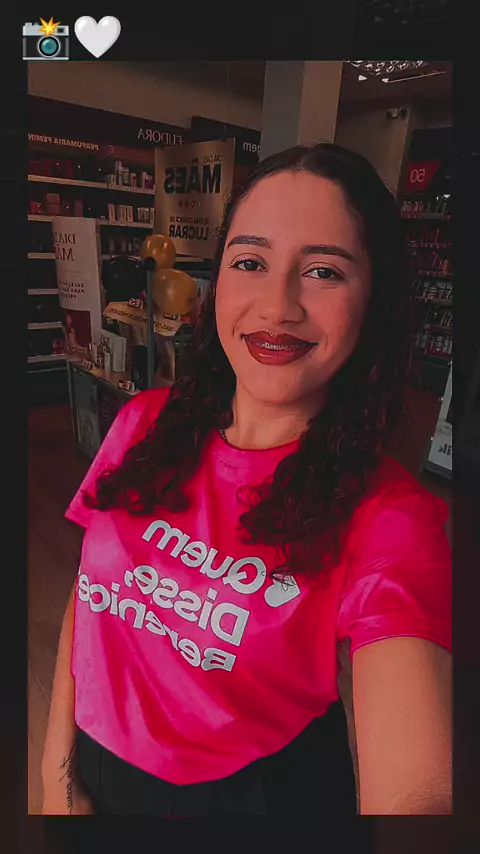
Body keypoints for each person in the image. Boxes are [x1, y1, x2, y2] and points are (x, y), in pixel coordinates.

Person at [41, 143, 451, 817]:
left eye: (323, 271)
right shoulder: (144, 423)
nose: (278, 305)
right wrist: (56, 782)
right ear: (218, 282)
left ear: (374, 302)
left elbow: (417, 795)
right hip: (96, 771)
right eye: (251, 262)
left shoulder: (390, 518)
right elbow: (89, 600)